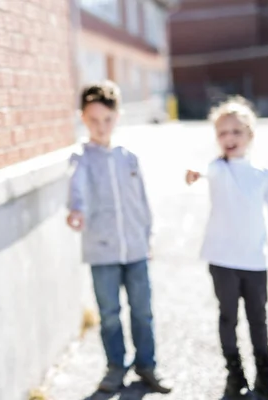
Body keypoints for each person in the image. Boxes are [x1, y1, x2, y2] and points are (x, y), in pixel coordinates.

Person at [67, 81, 171, 394]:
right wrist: (77, 211)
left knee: (143, 311)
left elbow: (142, 201)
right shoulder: (81, 158)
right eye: (93, 120)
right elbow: (77, 189)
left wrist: (148, 236)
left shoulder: (129, 157)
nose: (101, 126)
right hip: (102, 252)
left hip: (136, 249)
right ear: (83, 119)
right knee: (110, 314)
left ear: (117, 117)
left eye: (107, 119)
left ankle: (147, 366)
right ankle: (115, 368)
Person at [186, 96, 268, 400]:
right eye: (222, 133)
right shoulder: (217, 168)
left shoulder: (263, 175)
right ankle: (235, 378)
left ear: (250, 135)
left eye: (236, 132)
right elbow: (204, 170)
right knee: (227, 317)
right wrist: (194, 173)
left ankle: (265, 379)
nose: (229, 138)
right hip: (222, 260)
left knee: (258, 319)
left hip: (255, 262)